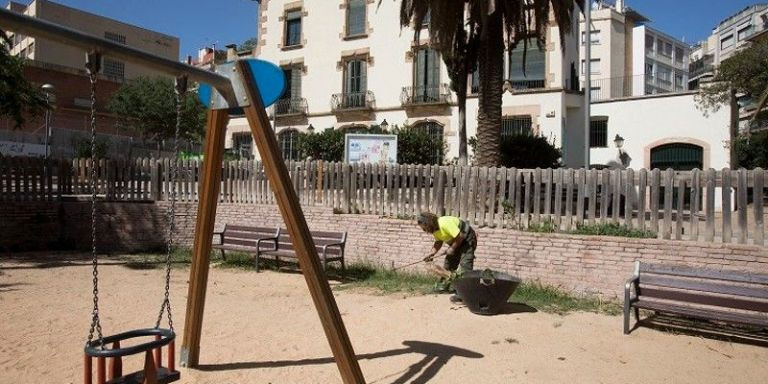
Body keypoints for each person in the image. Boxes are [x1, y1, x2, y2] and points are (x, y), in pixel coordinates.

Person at [417, 212, 477, 302]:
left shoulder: (444, 223)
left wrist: (452, 248)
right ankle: (443, 287)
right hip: (457, 241)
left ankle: (464, 293)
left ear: (428, 223)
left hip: (467, 240)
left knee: (465, 266)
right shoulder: (435, 230)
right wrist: (432, 253)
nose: (424, 230)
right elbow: (438, 242)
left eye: (424, 228)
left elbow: (460, 236)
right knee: (449, 263)